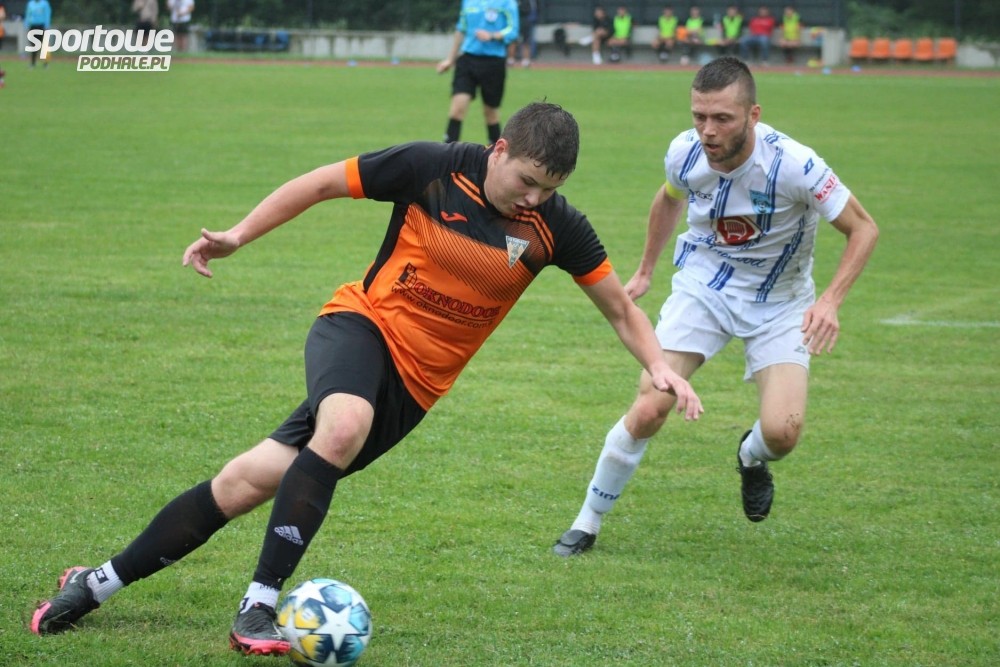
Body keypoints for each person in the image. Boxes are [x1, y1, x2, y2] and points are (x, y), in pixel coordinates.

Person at [30, 101, 703, 655]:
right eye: (526, 181)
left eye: (548, 189)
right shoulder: (433, 169)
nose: (534, 198)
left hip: (414, 390)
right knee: (344, 424)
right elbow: (323, 182)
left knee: (244, 483)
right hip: (361, 326)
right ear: (499, 150)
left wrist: (659, 367)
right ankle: (259, 604)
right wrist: (238, 235)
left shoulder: (555, 227)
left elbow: (621, 309)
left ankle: (97, 581)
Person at [552, 56, 878, 557]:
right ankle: (587, 521)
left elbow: (863, 228)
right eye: (699, 116)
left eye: (722, 118)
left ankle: (751, 456)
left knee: (783, 433)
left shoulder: (795, 164)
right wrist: (646, 269)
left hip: (781, 301)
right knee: (650, 405)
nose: (707, 130)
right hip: (704, 287)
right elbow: (669, 199)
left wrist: (830, 300)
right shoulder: (685, 151)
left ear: (753, 115)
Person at [437, 0, 519, 145]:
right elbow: (461, 29)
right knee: (457, 109)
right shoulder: (468, 2)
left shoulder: (507, 3)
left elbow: (513, 30)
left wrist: (492, 35)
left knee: (490, 113)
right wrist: (450, 59)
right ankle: (447, 152)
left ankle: (496, 153)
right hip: (467, 60)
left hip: (493, 63)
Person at [507, 0, 537, 68]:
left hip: (524, 21)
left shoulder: (526, 1)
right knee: (512, 41)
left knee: (526, 42)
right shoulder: (512, 2)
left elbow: (529, 10)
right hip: (514, 21)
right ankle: (511, 60)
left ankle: (526, 61)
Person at [24, 0, 51, 68]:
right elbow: (28, 14)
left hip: (41, 26)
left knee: (44, 45)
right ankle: (33, 63)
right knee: (33, 46)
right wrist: (26, 24)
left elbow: (47, 14)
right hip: (32, 26)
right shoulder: (30, 3)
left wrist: (47, 25)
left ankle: (46, 63)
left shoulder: (44, 3)